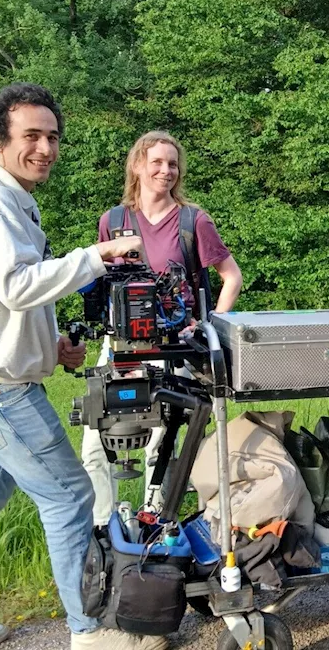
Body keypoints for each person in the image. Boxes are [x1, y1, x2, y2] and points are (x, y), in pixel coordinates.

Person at [0, 82, 164, 650]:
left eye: (51, 137)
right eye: (31, 136)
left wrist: (52, 343)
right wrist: (96, 257)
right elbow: (16, 285)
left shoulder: (12, 200)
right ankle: (91, 630)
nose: (45, 148)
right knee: (69, 496)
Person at [80, 130, 242, 525]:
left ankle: (157, 521)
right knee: (95, 444)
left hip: (171, 347)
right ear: (138, 166)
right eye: (156, 162)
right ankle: (104, 528)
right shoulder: (113, 221)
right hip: (119, 346)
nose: (165, 171)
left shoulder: (192, 220)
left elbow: (231, 277)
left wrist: (206, 328)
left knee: (160, 441)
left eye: (172, 164)